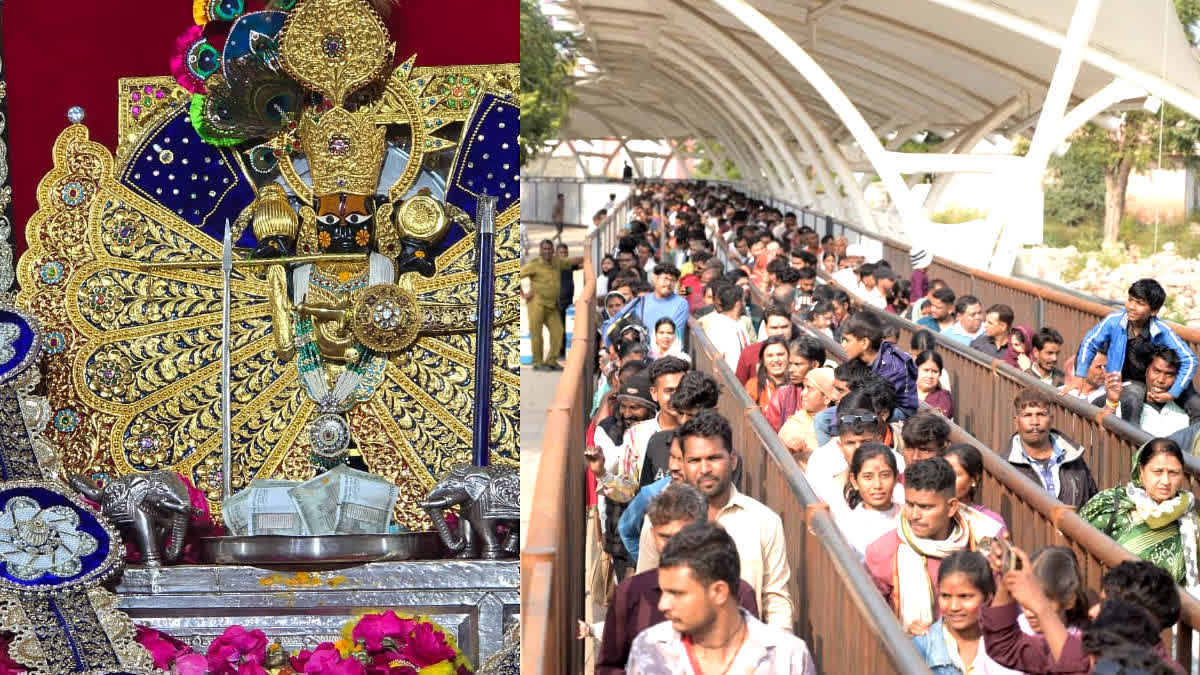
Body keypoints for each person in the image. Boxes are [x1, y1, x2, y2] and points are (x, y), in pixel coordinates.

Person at [635, 411, 794, 630]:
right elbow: (645, 590)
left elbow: (776, 601)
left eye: (714, 458)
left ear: (733, 460)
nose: (705, 469)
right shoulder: (660, 522)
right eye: (694, 460)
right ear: (683, 465)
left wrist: (776, 657)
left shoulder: (763, 521)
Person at [596, 484, 760, 675]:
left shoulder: (737, 593)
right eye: (664, 537)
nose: (674, 546)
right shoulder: (630, 593)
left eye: (683, 536)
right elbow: (608, 666)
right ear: (652, 535)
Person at [625, 522, 817, 674]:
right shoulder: (649, 649)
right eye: (663, 591)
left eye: (677, 593)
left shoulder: (787, 657)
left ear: (719, 592)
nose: (663, 604)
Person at [865, 457, 1004, 633]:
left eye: (925, 507)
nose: (914, 515)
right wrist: (905, 634)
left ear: (952, 507)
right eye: (909, 504)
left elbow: (1001, 607)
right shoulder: (883, 552)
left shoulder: (984, 539)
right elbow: (868, 622)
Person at [1073, 278, 1198, 421]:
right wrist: (1080, 375)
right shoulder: (1114, 320)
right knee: (1132, 401)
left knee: (1196, 406)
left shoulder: (1161, 331)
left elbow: (1189, 359)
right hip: (1130, 379)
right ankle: (1133, 442)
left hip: (1155, 376)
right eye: (1130, 300)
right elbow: (1090, 342)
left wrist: (1173, 393)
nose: (1131, 307)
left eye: (1140, 303)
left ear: (1154, 311)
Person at [1080, 438, 1199, 586]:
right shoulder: (1110, 503)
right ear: (1141, 470)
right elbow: (1079, 551)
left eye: (1173, 473)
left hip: (1165, 606)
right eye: (1158, 472)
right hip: (1112, 602)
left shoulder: (1189, 522)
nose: (1166, 481)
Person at [911, 550, 1022, 674]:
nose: (953, 607)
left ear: (988, 597)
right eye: (945, 596)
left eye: (965, 596)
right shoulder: (921, 649)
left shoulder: (1008, 645)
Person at [1005, 388, 1098, 509]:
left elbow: (1092, 503)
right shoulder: (1005, 465)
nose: (1035, 422)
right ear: (1016, 421)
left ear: (1051, 419)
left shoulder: (1074, 458)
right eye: (1027, 415)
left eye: (1041, 414)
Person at [839, 312, 920, 416]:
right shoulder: (859, 358)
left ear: (864, 343)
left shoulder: (893, 365)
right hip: (870, 402)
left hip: (898, 410)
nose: (843, 345)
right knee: (823, 418)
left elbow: (880, 400)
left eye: (847, 340)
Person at [1103, 346, 1194, 436]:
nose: (1161, 380)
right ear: (1147, 371)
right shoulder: (1124, 405)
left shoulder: (1182, 415)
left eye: (1169, 374)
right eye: (1156, 371)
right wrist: (1111, 404)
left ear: (1177, 378)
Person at [520, 239, 580, 371]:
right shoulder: (534, 265)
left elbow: (572, 262)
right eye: (544, 249)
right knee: (536, 334)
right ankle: (538, 362)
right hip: (537, 303)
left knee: (558, 332)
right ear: (540, 251)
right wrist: (523, 294)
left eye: (549, 249)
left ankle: (551, 361)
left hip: (552, 305)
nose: (547, 251)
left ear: (553, 250)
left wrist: (587, 257)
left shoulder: (557, 262)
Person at [836, 442, 903, 557]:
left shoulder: (908, 516)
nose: (877, 485)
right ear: (854, 481)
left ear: (896, 477)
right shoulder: (847, 525)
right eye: (868, 477)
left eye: (885, 475)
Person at [763, 336, 827, 431]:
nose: (791, 370)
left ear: (814, 365)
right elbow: (770, 433)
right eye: (790, 364)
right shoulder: (782, 395)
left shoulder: (831, 393)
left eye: (797, 364)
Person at [778, 367, 837, 468]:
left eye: (809, 388)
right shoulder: (795, 422)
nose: (802, 393)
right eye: (804, 387)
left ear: (826, 398)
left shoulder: (839, 426)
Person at [939, 444, 1006, 531]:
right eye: (943, 473)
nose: (946, 480)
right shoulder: (929, 513)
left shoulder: (988, 522)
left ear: (974, 479)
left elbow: (987, 545)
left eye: (954, 475)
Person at [735, 305, 794, 384]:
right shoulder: (749, 353)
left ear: (791, 326)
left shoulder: (800, 354)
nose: (780, 332)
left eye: (784, 327)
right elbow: (739, 388)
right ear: (766, 328)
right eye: (774, 328)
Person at [703, 283, 752, 372]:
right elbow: (716, 362)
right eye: (743, 300)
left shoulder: (741, 323)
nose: (744, 303)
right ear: (738, 304)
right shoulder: (717, 327)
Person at [744, 336, 789, 409]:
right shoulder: (753, 386)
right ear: (763, 361)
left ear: (789, 357)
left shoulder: (798, 386)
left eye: (780, 354)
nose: (776, 359)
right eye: (770, 356)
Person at [915, 351, 955, 419]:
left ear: (940, 374)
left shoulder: (943, 398)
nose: (930, 376)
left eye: (935, 372)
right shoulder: (905, 390)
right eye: (926, 370)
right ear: (916, 369)